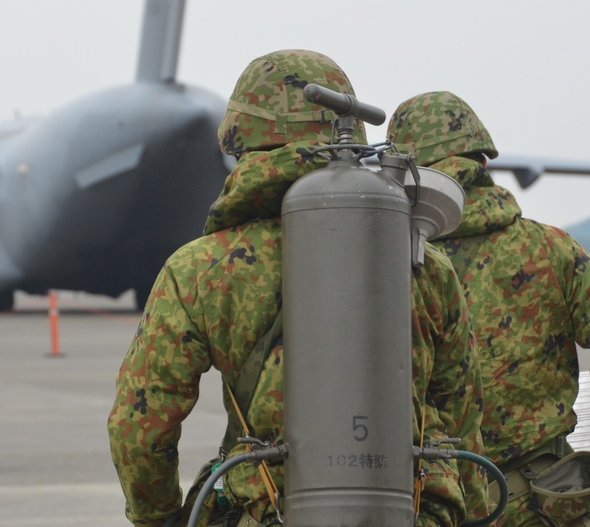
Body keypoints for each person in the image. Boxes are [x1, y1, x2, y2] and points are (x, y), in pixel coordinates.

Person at [108, 50, 487, 526]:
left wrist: (157, 517)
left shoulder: (200, 268)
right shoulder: (424, 262)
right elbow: (461, 416)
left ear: (243, 140)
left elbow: (140, 427)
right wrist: (469, 512)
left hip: (269, 509)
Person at [386, 91, 590, 526]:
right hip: (542, 502)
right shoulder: (547, 248)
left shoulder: (385, 264)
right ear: (483, 165)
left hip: (431, 504)